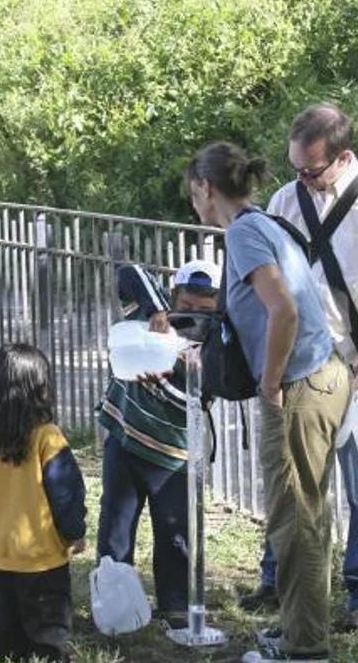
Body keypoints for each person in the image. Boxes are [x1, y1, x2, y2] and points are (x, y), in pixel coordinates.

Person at [241, 103, 358, 633]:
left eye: (312, 170)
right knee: (295, 482)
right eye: (295, 167)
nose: (302, 178)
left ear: (343, 157)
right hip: (305, 362)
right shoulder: (285, 200)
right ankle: (281, 580)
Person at [186, 142, 351, 662]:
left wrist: (270, 384)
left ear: (207, 190)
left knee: (294, 520)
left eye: (194, 194)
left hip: (300, 386)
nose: (194, 204)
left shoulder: (244, 231)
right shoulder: (263, 223)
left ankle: (305, 648)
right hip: (320, 378)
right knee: (307, 516)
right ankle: (300, 628)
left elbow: (282, 310)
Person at [95, 259, 220, 629]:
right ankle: (114, 605)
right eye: (187, 305)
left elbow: (196, 402)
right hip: (124, 441)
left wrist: (162, 379)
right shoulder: (148, 316)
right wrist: (158, 312)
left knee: (175, 532)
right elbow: (128, 272)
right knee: (115, 529)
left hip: (174, 458)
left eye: (204, 310)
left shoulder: (213, 347)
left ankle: (176, 605)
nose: (193, 315)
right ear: (175, 294)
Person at [0, 343, 87, 663]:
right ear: (41, 388)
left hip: (1, 555)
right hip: (44, 559)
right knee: (49, 637)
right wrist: (75, 531)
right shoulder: (47, 437)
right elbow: (66, 491)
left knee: (6, 637)